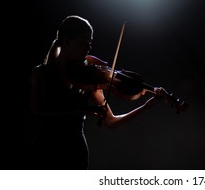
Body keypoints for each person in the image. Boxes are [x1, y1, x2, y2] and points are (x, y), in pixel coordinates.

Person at [28, 15, 167, 169]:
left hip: (75, 154)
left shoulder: (89, 79)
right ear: (67, 42)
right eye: (82, 43)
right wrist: (84, 109)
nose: (88, 48)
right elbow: (39, 111)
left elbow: (111, 122)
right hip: (44, 151)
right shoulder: (41, 73)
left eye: (90, 43)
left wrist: (147, 106)